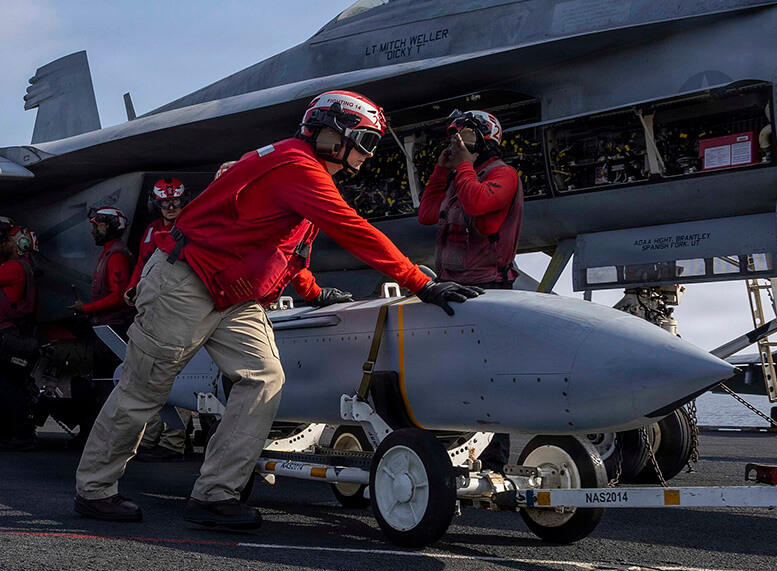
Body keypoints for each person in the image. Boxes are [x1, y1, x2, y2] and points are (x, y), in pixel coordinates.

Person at [73, 89, 483, 529]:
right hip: (186, 282)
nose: (368, 155)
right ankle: (94, 490)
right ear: (333, 135)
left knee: (264, 378)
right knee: (145, 389)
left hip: (233, 293)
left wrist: (314, 292)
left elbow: (284, 249)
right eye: (365, 142)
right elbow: (352, 229)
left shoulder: (298, 170)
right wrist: (422, 283)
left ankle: (216, 493)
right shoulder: (297, 166)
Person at [418, 109, 524, 472]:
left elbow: (479, 203)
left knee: (490, 374)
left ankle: (495, 461)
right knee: (452, 372)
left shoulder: (503, 174)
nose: (458, 143)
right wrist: (441, 171)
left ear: (485, 139)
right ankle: (455, 448)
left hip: (487, 289)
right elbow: (427, 213)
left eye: (465, 137)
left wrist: (461, 166)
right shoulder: (460, 179)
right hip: (452, 286)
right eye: (454, 138)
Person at [129, 178, 192, 463]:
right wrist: (133, 288)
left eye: (175, 202)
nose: (170, 207)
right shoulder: (151, 231)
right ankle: (151, 438)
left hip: (180, 310)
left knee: (180, 375)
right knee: (152, 373)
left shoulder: (191, 226)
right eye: (165, 203)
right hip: (155, 308)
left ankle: (174, 441)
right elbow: (142, 264)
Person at [0, 221, 39, 450]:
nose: (3, 244)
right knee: (9, 386)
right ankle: (12, 434)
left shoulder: (14, 268)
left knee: (9, 386)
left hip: (10, 336)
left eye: (7, 240)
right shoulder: (23, 266)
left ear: (20, 244)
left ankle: (21, 435)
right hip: (18, 335)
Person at [69, 207, 135, 334]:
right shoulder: (111, 252)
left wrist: (85, 308)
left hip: (112, 327)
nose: (93, 232)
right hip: (107, 324)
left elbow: (118, 297)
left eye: (98, 227)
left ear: (112, 227)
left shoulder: (117, 257)